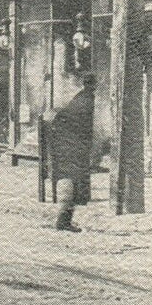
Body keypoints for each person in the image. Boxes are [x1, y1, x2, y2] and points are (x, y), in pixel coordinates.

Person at [49, 75, 97, 233]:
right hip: (71, 146)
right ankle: (63, 221)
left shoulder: (81, 98)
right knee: (71, 181)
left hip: (67, 145)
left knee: (71, 181)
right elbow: (84, 125)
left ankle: (64, 220)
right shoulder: (86, 99)